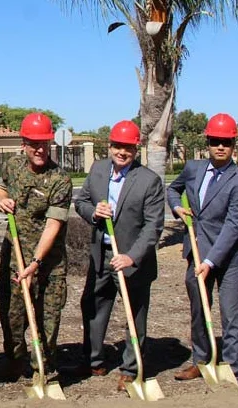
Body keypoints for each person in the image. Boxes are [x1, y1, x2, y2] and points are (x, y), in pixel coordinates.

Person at [72, 120, 164, 391]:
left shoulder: (149, 181)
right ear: (110, 146)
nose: (122, 152)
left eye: (129, 148)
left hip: (132, 260)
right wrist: (93, 213)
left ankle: (131, 368)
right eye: (118, 146)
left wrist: (131, 257)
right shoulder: (98, 170)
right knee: (93, 307)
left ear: (136, 150)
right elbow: (81, 202)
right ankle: (93, 360)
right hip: (101, 254)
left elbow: (153, 226)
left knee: (134, 314)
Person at [167, 113, 238, 386]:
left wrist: (211, 261)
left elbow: (232, 227)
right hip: (196, 251)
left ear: (233, 146)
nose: (220, 147)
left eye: (225, 142)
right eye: (215, 141)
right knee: (199, 311)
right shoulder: (193, 168)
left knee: (230, 314)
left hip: (227, 257)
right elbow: (173, 189)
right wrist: (178, 207)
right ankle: (200, 361)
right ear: (208, 142)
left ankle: (232, 370)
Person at [0, 113, 72, 378]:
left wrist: (36, 263)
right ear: (24, 144)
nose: (40, 149)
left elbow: (53, 225)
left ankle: (43, 363)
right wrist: (2, 199)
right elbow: (1, 187)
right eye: (34, 144)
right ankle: (15, 361)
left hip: (48, 262)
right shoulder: (13, 166)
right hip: (15, 255)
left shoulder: (60, 179)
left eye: (44, 144)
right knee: (12, 316)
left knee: (48, 320)